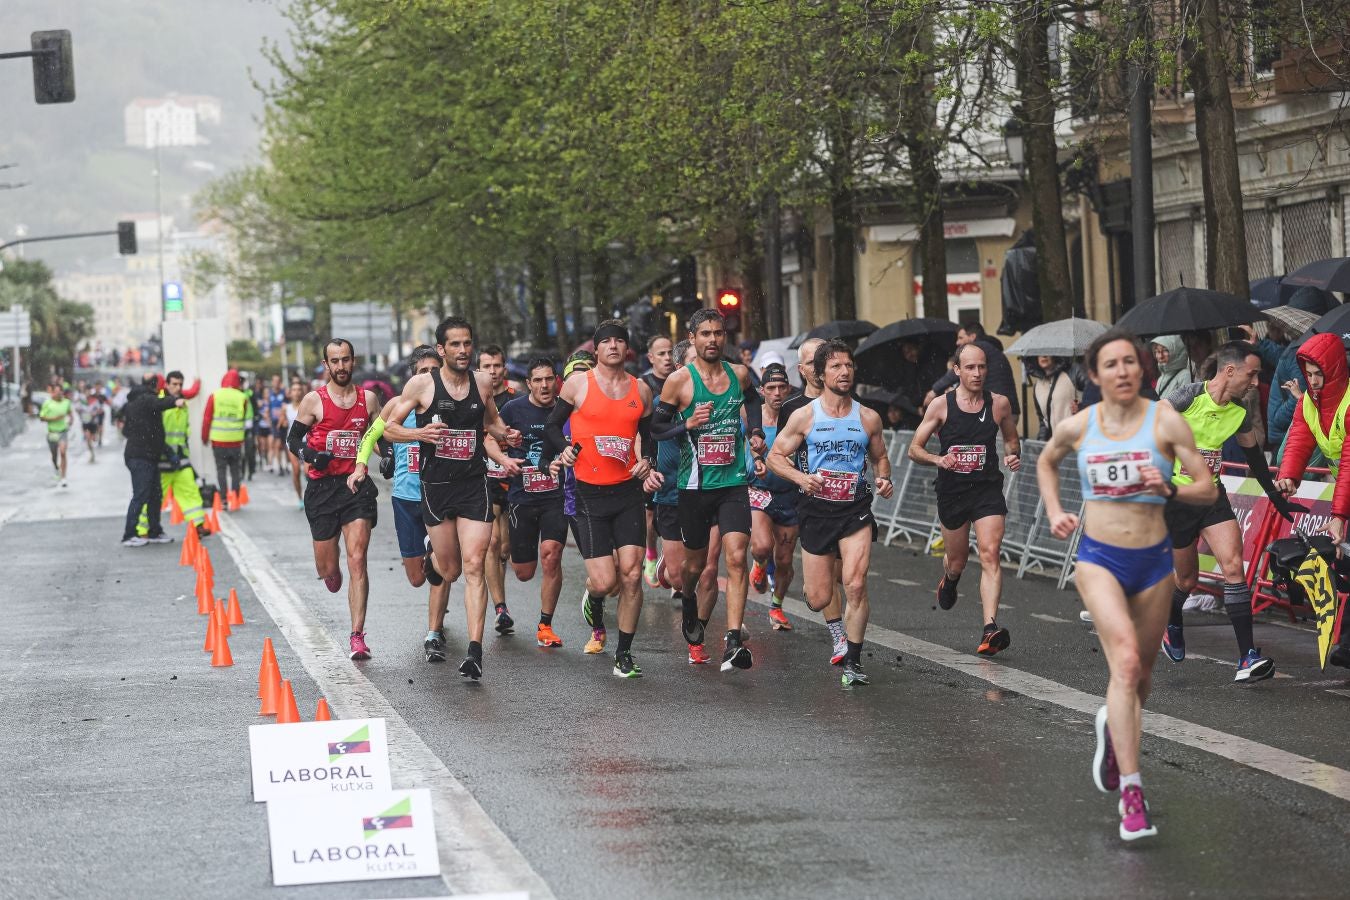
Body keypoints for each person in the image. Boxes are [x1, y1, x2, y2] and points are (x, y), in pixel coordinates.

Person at [1037, 328, 1217, 842]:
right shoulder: (1079, 425)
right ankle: (1132, 794)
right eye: (1111, 364)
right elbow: (1047, 462)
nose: (1122, 371)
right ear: (1094, 375)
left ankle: (1114, 734)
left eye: (1130, 363)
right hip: (1099, 559)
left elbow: (1205, 486)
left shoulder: (1165, 420)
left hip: (1154, 562)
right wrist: (1054, 511)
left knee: (1141, 682)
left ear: (1142, 370)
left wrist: (1172, 486)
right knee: (1127, 662)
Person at [374, 319, 521, 679]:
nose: (462, 350)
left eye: (467, 343)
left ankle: (474, 652)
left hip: (473, 486)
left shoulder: (483, 383)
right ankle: (434, 561)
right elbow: (387, 428)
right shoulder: (422, 384)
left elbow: (492, 423)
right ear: (441, 350)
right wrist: (419, 432)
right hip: (436, 488)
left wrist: (509, 435)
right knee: (451, 569)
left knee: (474, 565)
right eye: (454, 344)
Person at [1160, 341, 1300, 681]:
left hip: (1213, 496)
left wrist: (1275, 492)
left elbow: (1254, 458)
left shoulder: (1240, 411)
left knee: (1234, 566)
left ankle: (1246, 658)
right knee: (1188, 580)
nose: (1254, 383)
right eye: (1251, 375)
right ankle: (1171, 619)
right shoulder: (1186, 398)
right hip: (1177, 499)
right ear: (1230, 370)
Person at [767, 340, 894, 685]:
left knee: (854, 584)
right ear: (820, 375)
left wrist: (883, 478)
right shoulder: (804, 416)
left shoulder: (867, 417)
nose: (844, 372)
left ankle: (852, 660)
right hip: (815, 512)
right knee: (819, 595)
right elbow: (774, 457)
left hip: (855, 510)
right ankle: (826, 612)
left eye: (848, 365)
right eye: (836, 366)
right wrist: (800, 478)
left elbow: (880, 457)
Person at [543, 320, 659, 679]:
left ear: (627, 349)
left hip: (626, 492)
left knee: (633, 575)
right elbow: (551, 426)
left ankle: (624, 654)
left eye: (619, 341)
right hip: (588, 494)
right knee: (606, 582)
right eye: (605, 341)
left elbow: (649, 436)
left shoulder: (640, 389)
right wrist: (564, 452)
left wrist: (646, 462)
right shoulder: (579, 383)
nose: (612, 346)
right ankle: (594, 599)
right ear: (596, 349)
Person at [653, 308, 763, 672]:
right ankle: (688, 601)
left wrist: (758, 432)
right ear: (693, 337)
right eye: (705, 334)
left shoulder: (740, 374)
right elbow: (656, 429)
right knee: (694, 567)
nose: (713, 339)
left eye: (718, 333)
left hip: (732, 484)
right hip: (694, 487)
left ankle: (732, 638)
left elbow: (753, 400)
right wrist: (686, 424)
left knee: (736, 556)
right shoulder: (679, 382)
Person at [909, 342, 1021, 655]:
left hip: (986, 490)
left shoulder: (998, 404)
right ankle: (950, 578)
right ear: (957, 370)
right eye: (970, 367)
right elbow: (913, 448)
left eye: (982, 367)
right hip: (952, 492)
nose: (977, 373)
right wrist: (937, 460)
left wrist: (1013, 456)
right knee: (958, 560)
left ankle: (989, 628)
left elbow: (1012, 440)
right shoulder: (941, 406)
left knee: (990, 552)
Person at [350, 346, 452, 663]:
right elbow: (370, 436)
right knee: (416, 577)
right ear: (412, 376)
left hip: (440, 496)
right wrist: (361, 465)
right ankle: (430, 554)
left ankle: (434, 633)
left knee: (443, 566)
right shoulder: (397, 405)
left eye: (435, 371)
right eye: (423, 372)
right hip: (405, 499)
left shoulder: (449, 405)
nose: (429, 377)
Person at [286, 339, 383, 660]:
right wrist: (313, 455)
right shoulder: (313, 401)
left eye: (346, 360)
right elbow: (292, 439)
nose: (341, 367)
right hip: (322, 489)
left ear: (353, 361)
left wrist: (390, 456)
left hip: (355, 486)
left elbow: (376, 436)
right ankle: (332, 572)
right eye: (334, 361)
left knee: (358, 559)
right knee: (328, 566)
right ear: (326, 365)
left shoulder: (368, 400)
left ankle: (357, 634)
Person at [1274, 332, 1350, 667]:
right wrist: (1289, 475)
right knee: (1343, 566)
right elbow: (1300, 439)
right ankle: (1347, 642)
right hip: (1345, 489)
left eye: (1319, 373)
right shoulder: (1310, 402)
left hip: (1346, 489)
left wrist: (1339, 514)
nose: (1314, 380)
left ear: (1334, 369)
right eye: (1309, 373)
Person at [781, 337, 850, 664]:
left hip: (849, 504)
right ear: (804, 369)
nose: (818, 366)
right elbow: (781, 455)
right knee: (818, 591)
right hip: (811, 504)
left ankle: (846, 638)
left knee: (847, 575)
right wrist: (801, 476)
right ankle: (836, 628)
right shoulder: (792, 408)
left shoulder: (851, 402)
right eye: (813, 361)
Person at [495, 357, 569, 648]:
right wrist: (503, 451)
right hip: (521, 497)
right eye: (538, 380)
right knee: (524, 572)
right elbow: (490, 435)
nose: (544, 385)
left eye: (549, 379)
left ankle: (545, 625)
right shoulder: (514, 409)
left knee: (551, 554)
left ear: (556, 380)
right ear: (529, 384)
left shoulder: (565, 408)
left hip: (556, 496)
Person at [748, 363, 800, 630]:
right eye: (771, 388)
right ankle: (758, 563)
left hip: (789, 494)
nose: (777, 393)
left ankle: (777, 606)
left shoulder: (797, 418)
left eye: (782, 387)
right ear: (762, 390)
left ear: (789, 389)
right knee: (761, 546)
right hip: (759, 491)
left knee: (785, 560)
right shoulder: (751, 417)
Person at [137, 371, 207, 538]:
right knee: (155, 498)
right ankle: (142, 529)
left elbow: (184, 431)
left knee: (190, 491)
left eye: (180, 384)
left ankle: (198, 525)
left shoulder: (182, 405)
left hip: (180, 460)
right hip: (162, 460)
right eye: (174, 384)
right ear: (166, 385)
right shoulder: (159, 403)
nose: (178, 387)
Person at [478, 344, 517, 636]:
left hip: (514, 477)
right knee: (491, 544)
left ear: (504, 368)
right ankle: (500, 608)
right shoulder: (474, 395)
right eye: (487, 367)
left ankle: (500, 594)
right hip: (484, 476)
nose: (493, 372)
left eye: (497, 366)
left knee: (506, 547)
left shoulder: (517, 396)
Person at [121, 374, 186, 546]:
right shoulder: (144, 399)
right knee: (141, 495)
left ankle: (155, 531)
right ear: (156, 386)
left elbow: (148, 433)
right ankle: (129, 535)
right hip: (140, 457)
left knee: (155, 495)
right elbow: (158, 403)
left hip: (147, 456)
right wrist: (175, 401)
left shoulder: (138, 401)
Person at [925, 322, 1020, 418]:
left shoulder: (978, 348)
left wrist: (934, 391)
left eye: (961, 338)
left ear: (972, 337)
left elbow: (957, 371)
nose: (957, 342)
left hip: (995, 411)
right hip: (1005, 409)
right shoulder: (990, 349)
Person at [642, 334, 677, 588]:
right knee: (649, 514)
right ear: (651, 358)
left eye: (669, 353)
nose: (667, 358)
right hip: (650, 454)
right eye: (661, 354)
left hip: (673, 456)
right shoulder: (644, 386)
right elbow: (637, 429)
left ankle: (672, 559)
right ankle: (651, 554)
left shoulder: (682, 381)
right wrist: (644, 461)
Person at [201, 369, 252, 504]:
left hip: (219, 441)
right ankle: (235, 497)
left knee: (221, 469)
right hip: (235, 440)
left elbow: (207, 418)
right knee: (235, 470)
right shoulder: (242, 397)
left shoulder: (215, 395)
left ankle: (223, 498)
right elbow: (243, 415)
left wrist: (204, 437)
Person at [1029, 355, 1077, 440]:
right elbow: (1043, 421)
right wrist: (1040, 445)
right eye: (1039, 352)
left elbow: (1094, 398)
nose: (1043, 356)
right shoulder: (1038, 386)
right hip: (1058, 444)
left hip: (1077, 441)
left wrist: (1081, 407)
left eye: (1047, 351)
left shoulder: (1073, 372)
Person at [38, 383, 74, 486]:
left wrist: (71, 420)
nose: (59, 394)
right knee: (54, 455)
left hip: (63, 431)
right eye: (56, 392)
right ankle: (56, 467)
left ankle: (63, 477)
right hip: (52, 432)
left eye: (60, 392)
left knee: (63, 452)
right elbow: (41, 418)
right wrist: (54, 419)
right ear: (53, 392)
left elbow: (70, 413)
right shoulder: (47, 403)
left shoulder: (66, 402)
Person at [283, 381, 306, 508]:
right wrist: (282, 423)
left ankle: (311, 493)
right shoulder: (286, 408)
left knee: (308, 472)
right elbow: (282, 422)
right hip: (292, 443)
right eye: (294, 390)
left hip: (306, 442)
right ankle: (299, 498)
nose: (296, 392)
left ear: (302, 392)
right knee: (296, 471)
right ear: (290, 393)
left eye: (299, 390)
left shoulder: (306, 406)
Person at [1150, 336, 1190, 403]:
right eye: (1157, 351)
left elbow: (1185, 403)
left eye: (1165, 350)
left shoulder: (1185, 375)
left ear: (1175, 351)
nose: (1160, 356)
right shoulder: (1161, 378)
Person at [267, 374, 288, 474]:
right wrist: (268, 420)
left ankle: (286, 465)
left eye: (278, 381)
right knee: (277, 444)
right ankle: (280, 466)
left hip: (283, 423)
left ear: (280, 383)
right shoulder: (270, 394)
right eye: (274, 381)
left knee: (283, 445)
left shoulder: (284, 393)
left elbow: (287, 406)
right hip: (274, 424)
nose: (276, 383)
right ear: (272, 382)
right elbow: (268, 408)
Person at [78, 387, 102, 463]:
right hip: (85, 422)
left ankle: (95, 439)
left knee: (93, 439)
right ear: (84, 393)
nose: (87, 393)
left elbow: (100, 409)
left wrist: (94, 413)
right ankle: (91, 454)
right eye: (86, 392)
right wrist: (79, 411)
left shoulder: (94, 400)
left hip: (93, 422)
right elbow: (77, 409)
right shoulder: (82, 401)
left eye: (89, 392)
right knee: (88, 438)